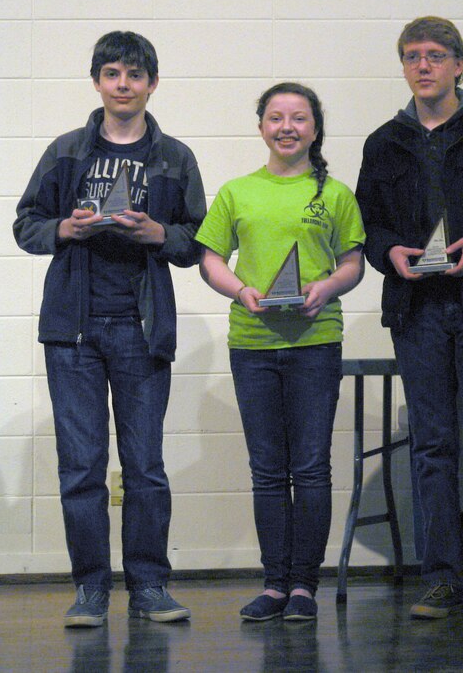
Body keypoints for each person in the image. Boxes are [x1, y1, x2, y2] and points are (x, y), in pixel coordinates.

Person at [14, 31, 205, 627]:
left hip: (141, 330)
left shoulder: (174, 157)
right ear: (97, 81)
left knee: (145, 464)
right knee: (81, 467)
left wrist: (157, 234)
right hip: (72, 332)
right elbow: (26, 225)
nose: (123, 85)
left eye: (135, 75)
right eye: (113, 73)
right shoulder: (67, 152)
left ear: (152, 83)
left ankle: (149, 586)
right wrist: (66, 231)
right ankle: (90, 589)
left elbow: (197, 239)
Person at [355, 17, 463, 620]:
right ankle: (440, 576)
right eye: (412, 56)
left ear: (460, 63)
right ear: (403, 66)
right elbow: (368, 225)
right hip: (417, 310)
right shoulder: (383, 142)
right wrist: (390, 254)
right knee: (431, 446)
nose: (423, 65)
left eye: (435, 55)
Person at [196, 82, 365, 622]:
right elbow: (211, 259)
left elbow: (353, 262)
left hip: (315, 343)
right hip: (253, 344)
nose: (286, 127)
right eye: (275, 118)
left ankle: (303, 587)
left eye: (298, 118)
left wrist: (328, 288)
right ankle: (274, 584)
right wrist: (240, 290)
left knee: (312, 467)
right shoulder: (236, 192)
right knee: (268, 469)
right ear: (261, 126)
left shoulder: (334, 194)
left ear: (315, 128)